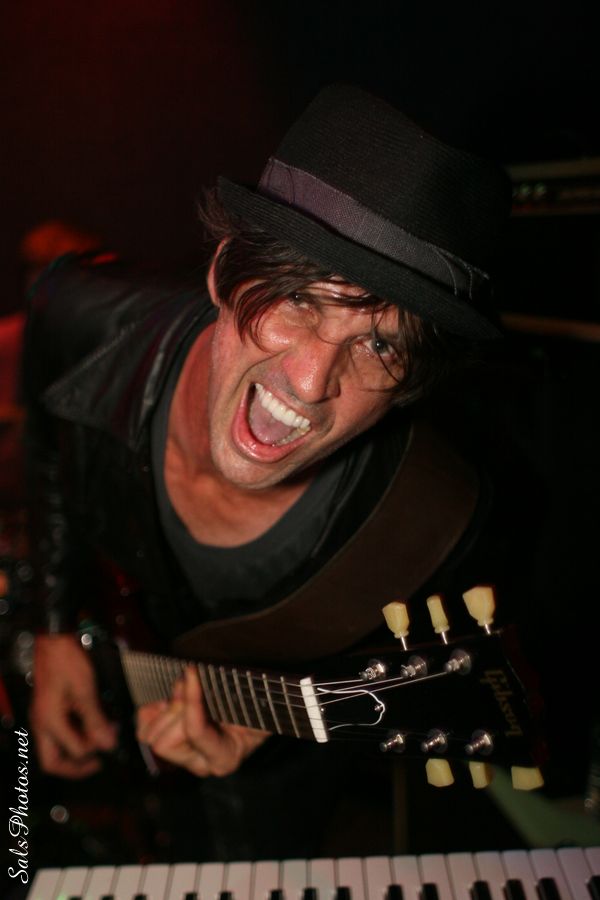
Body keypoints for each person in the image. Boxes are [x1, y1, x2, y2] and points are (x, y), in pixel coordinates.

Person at [23, 84, 511, 855]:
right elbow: (49, 441)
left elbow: (395, 689)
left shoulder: (433, 520)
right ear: (227, 272)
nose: (312, 382)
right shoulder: (82, 315)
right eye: (300, 299)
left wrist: (267, 741)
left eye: (379, 344)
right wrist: (53, 630)